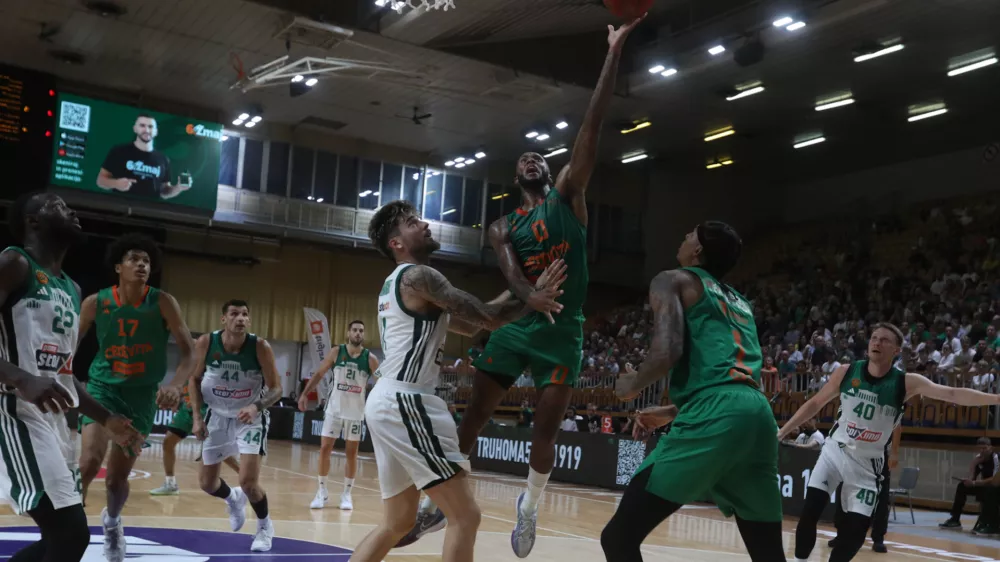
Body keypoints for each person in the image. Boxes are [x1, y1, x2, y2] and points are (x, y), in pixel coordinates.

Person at [400, 16, 646, 557]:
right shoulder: (501, 225)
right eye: (523, 159)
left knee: (544, 432)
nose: (531, 159)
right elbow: (510, 273)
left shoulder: (568, 197)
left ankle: (529, 507)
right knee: (474, 417)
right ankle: (437, 503)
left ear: (552, 170)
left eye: (540, 156)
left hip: (563, 330)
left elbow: (592, 124)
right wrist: (528, 296)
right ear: (516, 178)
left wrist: (612, 51)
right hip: (520, 324)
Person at [349, 200, 565, 562]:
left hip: (388, 400)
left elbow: (476, 321)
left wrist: (527, 293)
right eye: (412, 222)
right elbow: (487, 316)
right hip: (406, 400)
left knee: (398, 522)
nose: (424, 224)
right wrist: (531, 293)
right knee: (466, 516)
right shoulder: (420, 276)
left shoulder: (397, 284)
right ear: (397, 244)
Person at [601, 222, 787, 562]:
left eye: (690, 235)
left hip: (717, 413)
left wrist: (630, 385)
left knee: (619, 538)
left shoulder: (673, 279)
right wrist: (674, 411)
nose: (683, 238)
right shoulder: (741, 302)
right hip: (756, 416)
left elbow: (666, 351)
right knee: (769, 556)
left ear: (698, 250)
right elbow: (730, 376)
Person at [779, 322, 1000, 562]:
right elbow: (814, 404)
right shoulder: (846, 371)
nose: (876, 342)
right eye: (874, 338)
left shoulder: (906, 382)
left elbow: (953, 394)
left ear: (896, 350)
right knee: (810, 511)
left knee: (856, 532)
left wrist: (996, 398)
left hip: (868, 463)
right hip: (835, 451)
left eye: (884, 340)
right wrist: (783, 432)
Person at [0, 192, 143, 562]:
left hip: (56, 421)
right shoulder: (15, 263)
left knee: (58, 540)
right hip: (11, 410)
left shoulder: (72, 288)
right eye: (57, 206)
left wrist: (106, 418)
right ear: (33, 221)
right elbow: (33, 378)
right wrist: (21, 378)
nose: (71, 211)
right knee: (71, 532)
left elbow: (63, 374)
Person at [77, 232, 195, 562]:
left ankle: (112, 524)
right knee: (88, 462)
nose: (142, 265)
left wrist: (175, 385)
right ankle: (69, 529)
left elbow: (189, 354)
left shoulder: (162, 301)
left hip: (142, 395)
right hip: (102, 388)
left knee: (116, 481)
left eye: (146, 261)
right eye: (134, 259)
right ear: (119, 267)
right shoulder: (95, 302)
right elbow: (67, 348)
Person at [189, 300, 284, 552]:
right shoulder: (207, 343)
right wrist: (197, 417)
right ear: (224, 319)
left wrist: (256, 407)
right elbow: (194, 378)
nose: (240, 318)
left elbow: (276, 389)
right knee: (207, 484)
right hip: (217, 416)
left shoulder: (260, 347)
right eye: (234, 314)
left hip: (249, 418)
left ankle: (265, 527)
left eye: (244, 314)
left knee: (249, 482)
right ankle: (233, 499)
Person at [298, 319, 380, 510]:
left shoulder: (370, 359)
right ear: (348, 333)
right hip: (334, 410)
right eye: (355, 330)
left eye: (361, 330)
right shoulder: (337, 352)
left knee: (352, 454)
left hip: (355, 413)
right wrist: (303, 394)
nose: (358, 333)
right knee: (325, 448)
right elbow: (318, 374)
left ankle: (346, 494)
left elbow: (382, 384)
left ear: (364, 334)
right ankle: (322, 492)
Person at [148, 385, 240, 496]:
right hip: (187, 410)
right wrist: (176, 397)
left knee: (217, 450)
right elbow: (184, 386)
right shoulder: (185, 370)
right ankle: (170, 484)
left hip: (206, 409)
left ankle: (245, 477)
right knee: (168, 442)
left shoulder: (204, 369)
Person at [828, 425, 901, 554]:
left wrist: (894, 452)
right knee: (844, 491)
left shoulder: (891, 406)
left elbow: (897, 427)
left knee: (881, 496)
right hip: (851, 451)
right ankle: (841, 533)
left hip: (877, 453)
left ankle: (878, 538)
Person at [97, 114, 190, 200]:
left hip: (149, 212)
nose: (146, 130)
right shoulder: (119, 151)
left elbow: (164, 192)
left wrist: (178, 188)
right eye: (142, 126)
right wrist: (116, 184)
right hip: (119, 207)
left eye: (150, 127)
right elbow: (100, 181)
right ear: (135, 129)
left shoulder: (163, 159)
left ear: (156, 132)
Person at [939, 436, 998, 529]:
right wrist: (973, 465)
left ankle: (988, 522)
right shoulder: (978, 458)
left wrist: (975, 483)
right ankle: (955, 519)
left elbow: (995, 479)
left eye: (984, 448)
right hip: (984, 486)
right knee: (962, 486)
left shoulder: (995, 458)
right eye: (980, 448)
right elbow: (972, 478)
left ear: (990, 448)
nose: (982, 451)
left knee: (990, 490)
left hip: (994, 488)